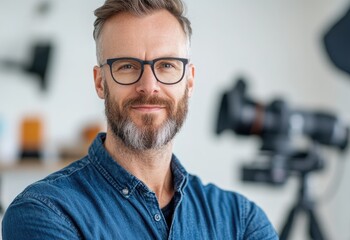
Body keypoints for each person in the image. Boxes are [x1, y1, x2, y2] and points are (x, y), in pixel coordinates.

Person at [2, 0, 278, 239]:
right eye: (127, 66)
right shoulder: (45, 212)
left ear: (189, 82)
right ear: (100, 83)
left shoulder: (241, 220)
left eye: (167, 65)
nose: (149, 85)